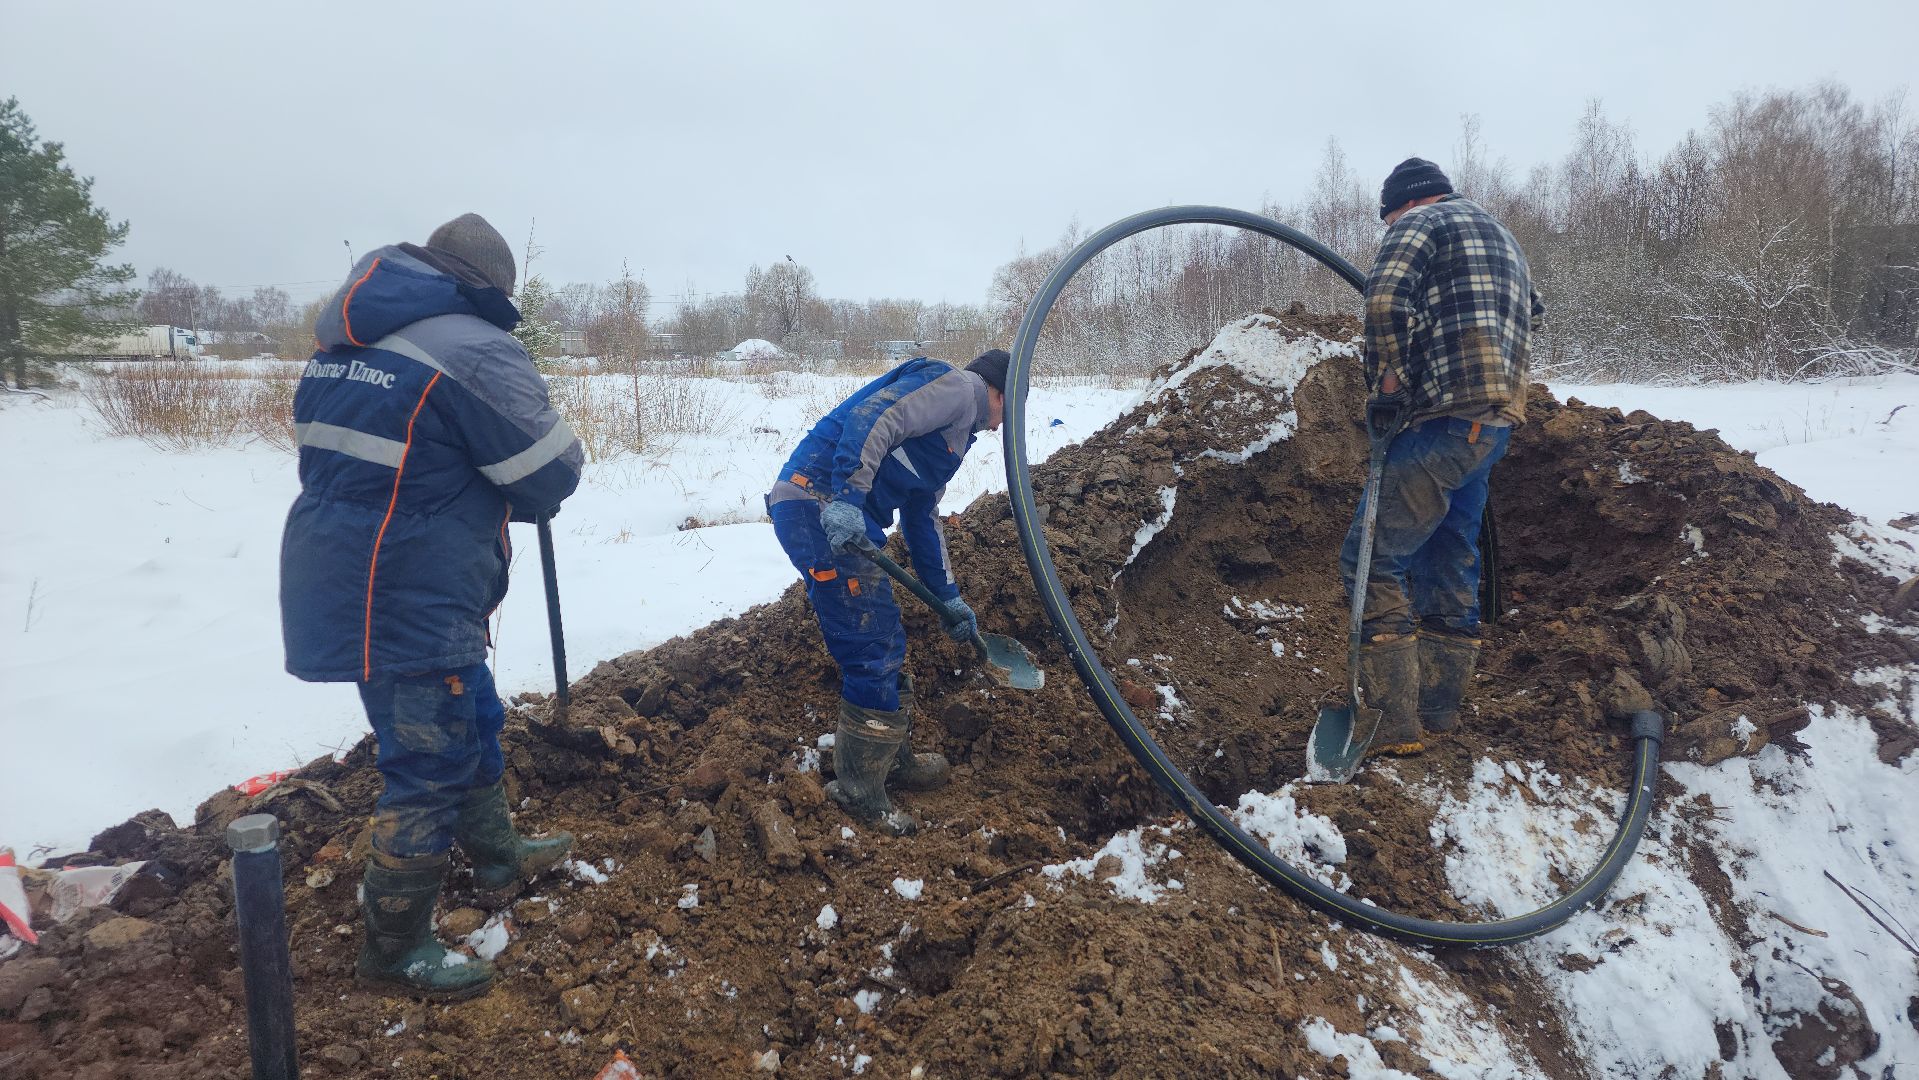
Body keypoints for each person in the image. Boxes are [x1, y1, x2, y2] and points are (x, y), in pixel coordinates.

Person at [279, 213, 584, 999]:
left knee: (473, 716)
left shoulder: (345, 343)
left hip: (351, 571)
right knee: (428, 764)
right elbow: (550, 473)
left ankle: (497, 855)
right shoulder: (473, 348)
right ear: (489, 290)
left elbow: (394, 464)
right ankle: (393, 951)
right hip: (405, 589)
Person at [1343, 158, 1545, 759]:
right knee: (1446, 553)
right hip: (1493, 424)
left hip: (1439, 419)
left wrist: (1387, 380)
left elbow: (1383, 299)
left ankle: (1388, 722)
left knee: (1370, 558)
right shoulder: (1500, 235)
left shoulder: (1420, 223)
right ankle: (1438, 709)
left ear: (1402, 205)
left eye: (1388, 220)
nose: (1389, 229)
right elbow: (1533, 312)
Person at [767, 349, 1009, 835]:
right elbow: (874, 417)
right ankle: (857, 790)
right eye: (1012, 409)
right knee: (871, 643)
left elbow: (922, 515)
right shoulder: (958, 389)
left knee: (885, 636)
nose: (1006, 425)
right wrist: (848, 498)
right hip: (819, 505)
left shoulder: (956, 439)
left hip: (848, 518)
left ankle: (887, 761)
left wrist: (948, 595)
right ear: (998, 392)